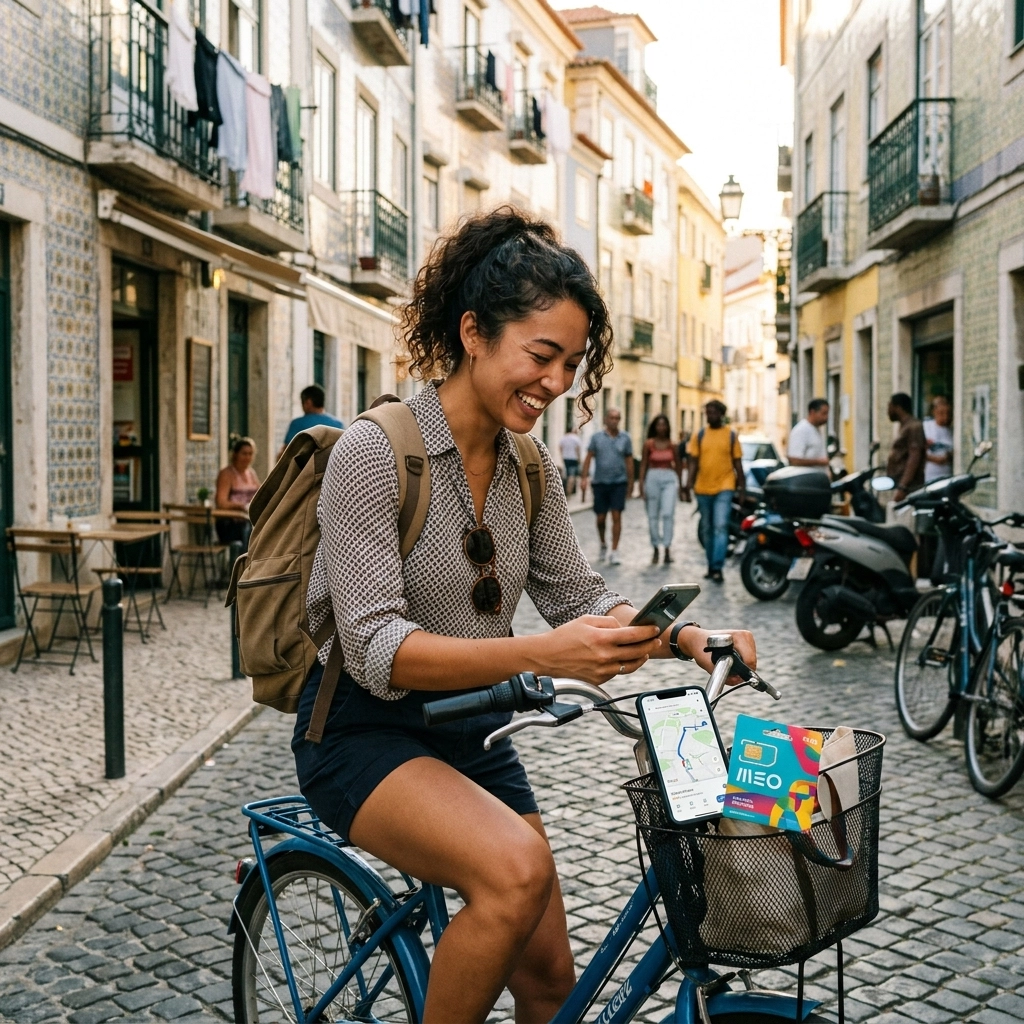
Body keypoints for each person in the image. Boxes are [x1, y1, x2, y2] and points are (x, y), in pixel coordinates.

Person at [291, 207, 756, 1024]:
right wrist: (542, 655)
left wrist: (688, 637)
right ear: (474, 333)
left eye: (571, 364)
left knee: (548, 977)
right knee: (514, 872)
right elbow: (375, 651)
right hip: (362, 731)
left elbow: (578, 597)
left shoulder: (530, 465)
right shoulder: (373, 452)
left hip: (473, 729)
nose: (557, 383)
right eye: (541, 356)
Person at [682, 401, 744, 583]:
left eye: (713, 412)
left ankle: (717, 567)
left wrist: (742, 488)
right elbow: (693, 462)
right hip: (703, 488)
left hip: (725, 487)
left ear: (721, 414)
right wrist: (687, 485)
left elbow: (738, 463)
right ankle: (711, 565)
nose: (710, 416)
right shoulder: (699, 435)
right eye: (707, 412)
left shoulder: (731, 435)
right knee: (707, 528)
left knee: (720, 526)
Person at [580, 408, 633, 565]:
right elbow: (588, 458)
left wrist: (631, 483)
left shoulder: (625, 438)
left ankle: (615, 551)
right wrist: (584, 478)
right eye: (611, 417)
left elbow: (629, 461)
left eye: (617, 418)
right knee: (601, 518)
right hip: (600, 483)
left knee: (617, 516)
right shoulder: (596, 438)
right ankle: (603, 543)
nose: (614, 421)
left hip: (618, 483)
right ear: (605, 419)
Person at [638, 414, 682, 565]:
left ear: (668, 427)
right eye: (659, 425)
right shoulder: (649, 444)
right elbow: (643, 464)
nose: (661, 428)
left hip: (669, 478)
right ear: (654, 427)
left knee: (668, 513)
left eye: (664, 425)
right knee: (652, 516)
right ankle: (656, 547)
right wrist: (641, 484)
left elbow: (678, 465)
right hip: (652, 477)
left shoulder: (672, 445)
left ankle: (667, 547)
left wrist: (681, 485)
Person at [214, 436, 260, 547]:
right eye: (244, 454)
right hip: (231, 523)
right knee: (249, 530)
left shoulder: (251, 473)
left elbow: (261, 494)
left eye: (250, 454)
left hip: (249, 519)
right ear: (235, 454)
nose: (247, 457)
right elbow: (221, 502)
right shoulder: (227, 474)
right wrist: (241, 506)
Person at [886, 392, 927, 502]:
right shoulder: (904, 426)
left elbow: (914, 457)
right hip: (900, 484)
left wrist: (903, 486)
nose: (888, 411)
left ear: (898, 407)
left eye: (890, 407)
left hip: (910, 488)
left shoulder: (914, 427)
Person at [281, 384, 344, 451]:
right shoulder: (338, 424)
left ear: (308, 402)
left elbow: (285, 452)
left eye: (302, 403)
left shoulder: (297, 424)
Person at [788, 398, 830, 467]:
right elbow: (794, 460)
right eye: (823, 414)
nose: (826, 417)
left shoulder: (818, 430)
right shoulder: (801, 430)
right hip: (805, 473)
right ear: (812, 412)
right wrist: (819, 462)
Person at [923, 395, 953, 483]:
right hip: (928, 478)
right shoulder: (925, 427)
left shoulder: (953, 431)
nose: (945, 417)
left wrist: (949, 457)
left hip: (948, 478)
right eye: (941, 413)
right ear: (934, 411)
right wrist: (936, 459)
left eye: (948, 413)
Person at [559, 425, 583, 496]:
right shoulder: (575, 438)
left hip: (566, 458)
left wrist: (562, 455)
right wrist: (579, 458)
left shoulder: (564, 438)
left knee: (567, 474)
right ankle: (569, 491)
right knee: (572, 475)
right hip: (573, 458)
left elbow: (560, 447)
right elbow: (577, 449)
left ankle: (567, 490)